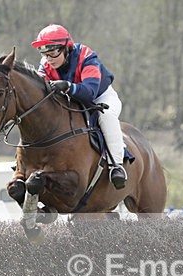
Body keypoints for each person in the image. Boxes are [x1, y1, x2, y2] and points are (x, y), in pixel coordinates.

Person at [31, 24, 127, 189]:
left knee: (106, 116)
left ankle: (116, 165)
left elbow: (89, 92)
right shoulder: (45, 64)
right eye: (45, 54)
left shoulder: (87, 56)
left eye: (52, 53)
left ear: (66, 48)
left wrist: (68, 86)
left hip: (99, 98)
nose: (49, 59)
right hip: (71, 100)